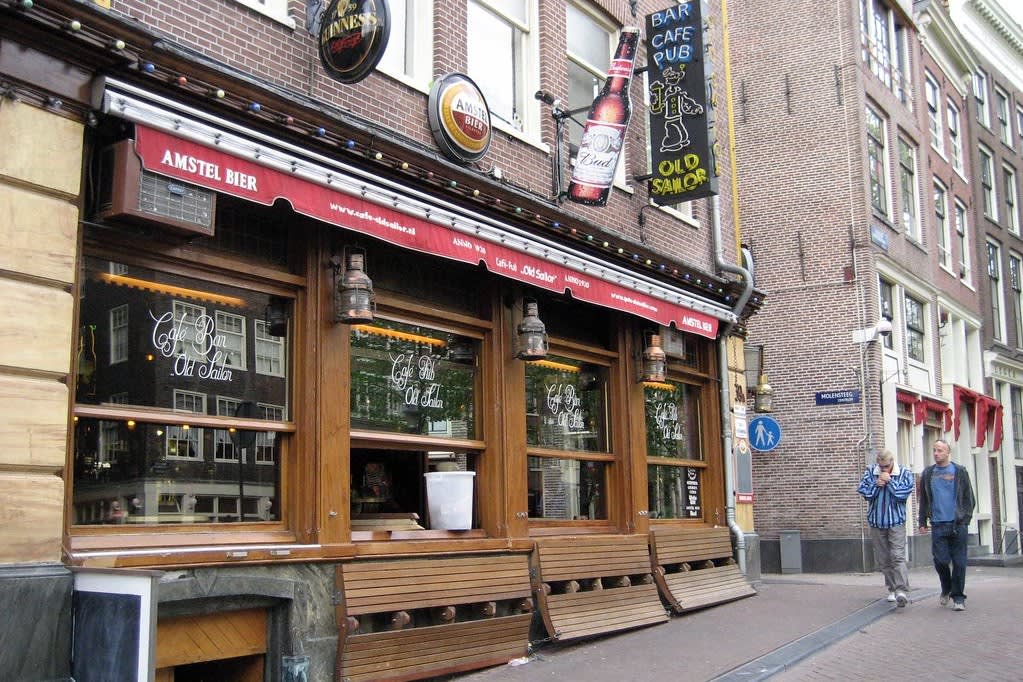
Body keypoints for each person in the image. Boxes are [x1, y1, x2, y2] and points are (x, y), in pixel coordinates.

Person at [918, 439, 976, 611]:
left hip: (957, 524)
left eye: (940, 450)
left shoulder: (959, 471)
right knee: (940, 561)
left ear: (948, 452)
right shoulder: (928, 473)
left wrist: (965, 519)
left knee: (959, 562)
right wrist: (922, 521)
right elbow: (924, 499)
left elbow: (969, 498)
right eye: (934, 450)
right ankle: (946, 587)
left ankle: (958, 597)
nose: (936, 453)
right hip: (938, 524)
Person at [857, 450, 915, 606]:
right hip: (877, 522)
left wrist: (889, 482)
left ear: (892, 462)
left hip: (896, 522)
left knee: (897, 556)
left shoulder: (903, 473)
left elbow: (902, 495)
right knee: (884, 559)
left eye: (886, 466)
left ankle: (901, 590)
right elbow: (864, 492)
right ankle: (892, 588)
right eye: (881, 466)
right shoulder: (870, 471)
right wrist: (876, 485)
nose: (883, 470)